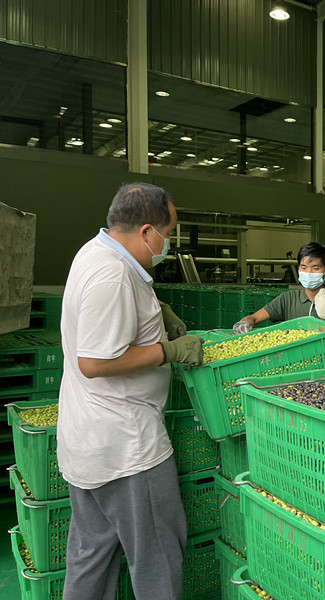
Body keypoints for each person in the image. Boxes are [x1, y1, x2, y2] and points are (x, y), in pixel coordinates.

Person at [58, 183, 205, 600]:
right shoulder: (113, 274)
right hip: (127, 449)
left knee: (91, 555)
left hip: (88, 443)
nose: (167, 244)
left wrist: (158, 311)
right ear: (145, 231)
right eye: (167, 233)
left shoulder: (95, 253)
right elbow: (94, 362)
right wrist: (169, 351)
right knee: (157, 556)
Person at [232, 241, 325, 342]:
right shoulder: (287, 300)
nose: (309, 272)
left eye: (315, 268)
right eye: (304, 267)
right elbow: (254, 317)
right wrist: (246, 321)